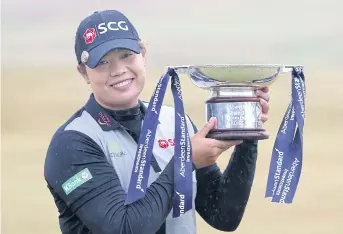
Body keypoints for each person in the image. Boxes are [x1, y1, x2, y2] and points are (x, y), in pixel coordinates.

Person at [44, 9, 270, 234]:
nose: (119, 70)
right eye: (103, 62)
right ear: (83, 72)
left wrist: (247, 132)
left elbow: (223, 215)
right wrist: (185, 161)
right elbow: (124, 228)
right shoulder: (72, 143)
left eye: (126, 55)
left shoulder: (174, 122)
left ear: (143, 55)